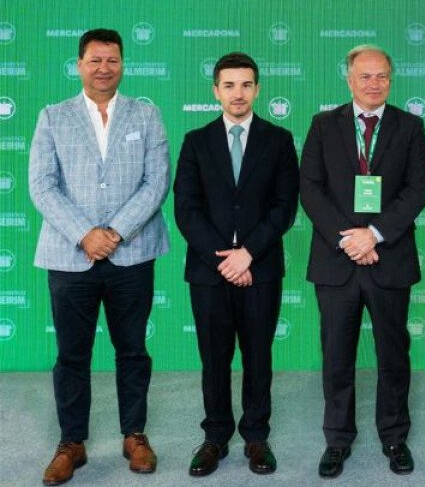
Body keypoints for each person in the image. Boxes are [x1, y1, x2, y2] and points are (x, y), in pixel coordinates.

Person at [29, 28, 170, 486]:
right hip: (71, 257)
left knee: (133, 351)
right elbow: (41, 185)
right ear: (79, 65)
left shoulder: (147, 115)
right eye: (95, 60)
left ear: (123, 64)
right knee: (72, 355)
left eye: (112, 60)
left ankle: (135, 435)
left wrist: (116, 232)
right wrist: (85, 234)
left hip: (133, 255)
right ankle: (71, 443)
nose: (103, 68)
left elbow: (156, 181)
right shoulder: (53, 117)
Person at [300, 45, 425, 478]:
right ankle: (337, 439)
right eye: (365, 76)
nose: (374, 84)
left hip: (388, 256)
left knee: (393, 354)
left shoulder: (410, 127)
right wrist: (349, 239)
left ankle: (394, 436)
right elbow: (311, 189)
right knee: (337, 354)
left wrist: (373, 234)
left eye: (382, 76)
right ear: (349, 79)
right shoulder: (323, 125)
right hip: (336, 260)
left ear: (391, 79)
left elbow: (416, 190)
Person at [173, 52, 299, 477]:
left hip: (260, 269)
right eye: (229, 85)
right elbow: (186, 209)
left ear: (257, 89)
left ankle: (256, 436)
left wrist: (248, 253)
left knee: (258, 356)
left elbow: (284, 206)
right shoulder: (196, 141)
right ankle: (215, 437)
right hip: (208, 273)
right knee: (214, 359)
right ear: (216, 91)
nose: (238, 93)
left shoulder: (279, 140)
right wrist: (224, 260)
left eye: (246, 85)